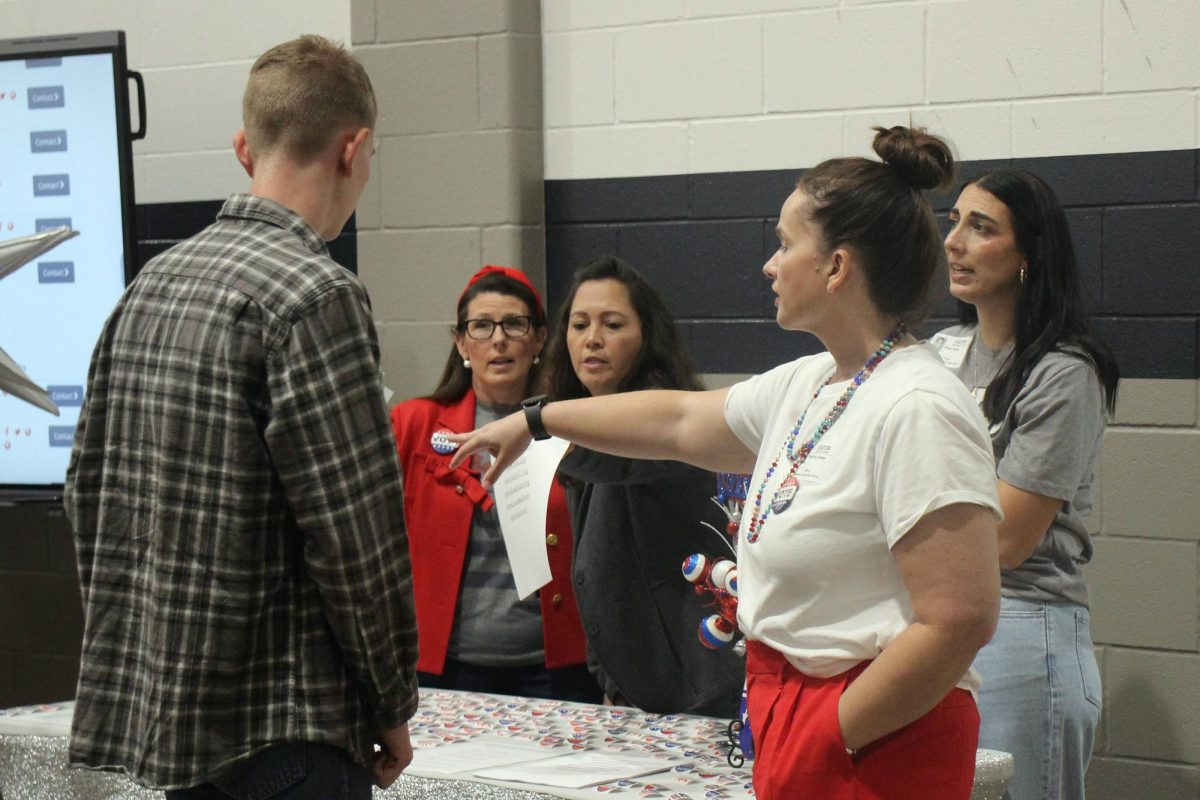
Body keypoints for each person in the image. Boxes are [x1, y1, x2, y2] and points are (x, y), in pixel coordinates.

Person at [450, 126, 1002, 800]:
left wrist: (833, 730)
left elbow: (959, 620)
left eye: (785, 243)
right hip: (795, 706)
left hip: (878, 731)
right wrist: (536, 421)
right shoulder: (811, 383)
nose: (771, 265)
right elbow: (677, 420)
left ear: (836, 267)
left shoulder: (918, 404)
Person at [64, 35, 417, 798]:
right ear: (353, 150)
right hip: (289, 731)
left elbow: (88, 491)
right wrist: (392, 703)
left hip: (183, 728)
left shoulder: (150, 285)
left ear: (242, 150)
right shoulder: (316, 296)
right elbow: (356, 539)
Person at [936, 169, 1119, 800]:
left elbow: (1009, 538)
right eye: (953, 221)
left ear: (1028, 256)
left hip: (1022, 629)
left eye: (980, 227)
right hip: (939, 619)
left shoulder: (1064, 371)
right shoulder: (939, 355)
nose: (954, 241)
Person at [541, 255, 744, 717]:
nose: (592, 339)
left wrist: (532, 424)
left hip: (697, 686)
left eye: (612, 324)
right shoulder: (584, 419)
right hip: (635, 686)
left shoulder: (665, 419)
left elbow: (609, 459)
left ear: (646, 337)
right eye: (578, 324)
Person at [389, 265, 595, 702]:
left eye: (514, 325)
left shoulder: (575, 425)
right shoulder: (413, 425)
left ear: (540, 340)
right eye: (481, 326)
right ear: (461, 342)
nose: (498, 340)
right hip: (442, 666)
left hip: (554, 667)